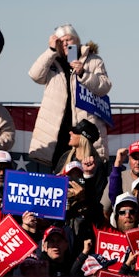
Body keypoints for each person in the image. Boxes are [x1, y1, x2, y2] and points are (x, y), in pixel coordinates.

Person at [28, 23, 111, 168]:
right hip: (57, 131)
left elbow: (105, 86)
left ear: (77, 41)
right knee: (57, 175)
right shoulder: (51, 60)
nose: (65, 43)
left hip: (83, 131)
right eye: (61, 40)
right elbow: (35, 76)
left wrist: (84, 74)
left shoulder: (93, 60)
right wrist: (51, 50)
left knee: (84, 174)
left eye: (69, 39)